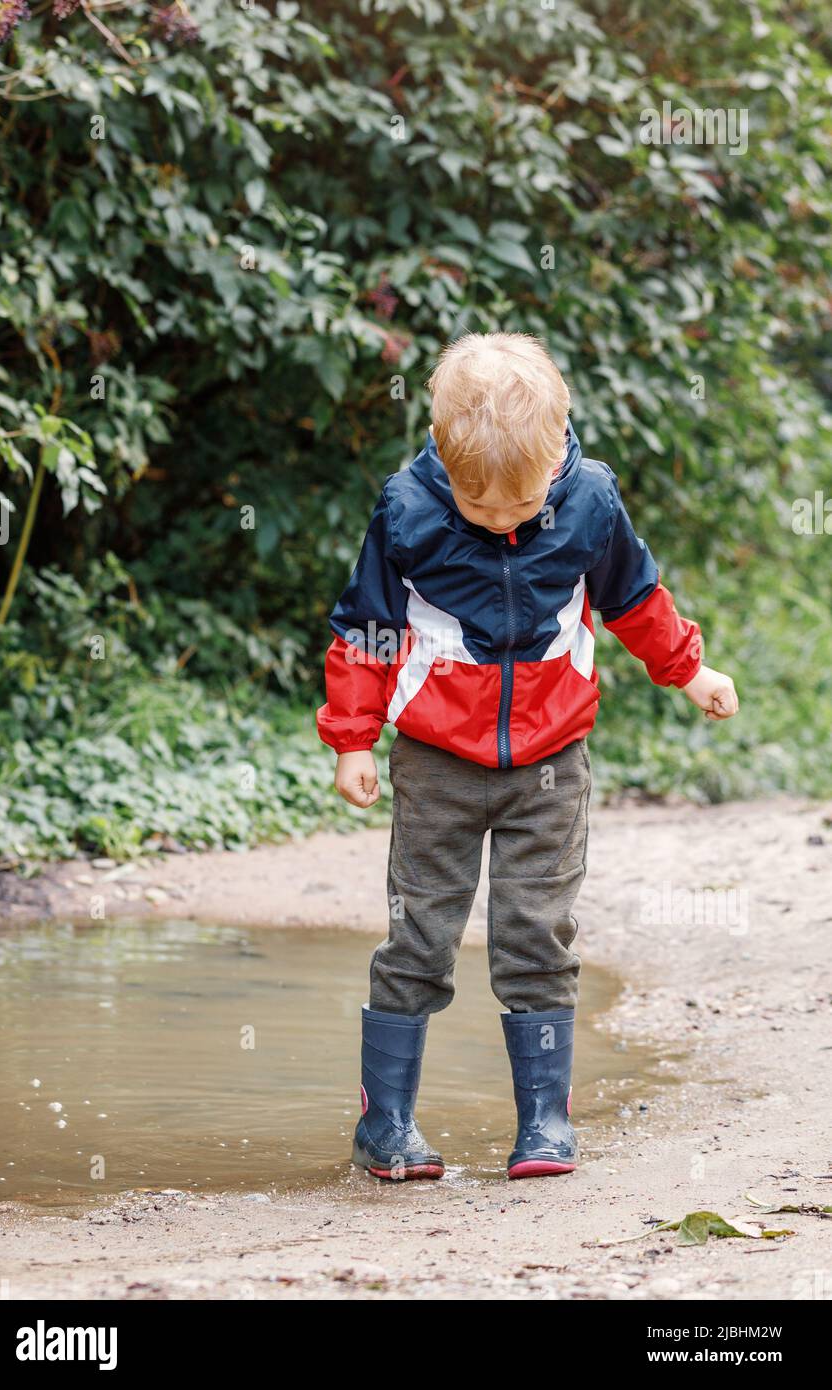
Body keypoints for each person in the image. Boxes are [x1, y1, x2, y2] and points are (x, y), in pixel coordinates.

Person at [316, 332, 739, 1181]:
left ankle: (545, 1124)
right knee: (418, 935)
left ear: (556, 453)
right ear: (443, 457)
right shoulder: (407, 510)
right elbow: (366, 628)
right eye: (483, 509)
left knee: (537, 933)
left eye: (519, 505)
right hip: (436, 760)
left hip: (551, 762)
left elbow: (635, 599)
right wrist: (353, 737)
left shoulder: (588, 500)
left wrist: (688, 670)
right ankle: (385, 1126)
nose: (503, 520)